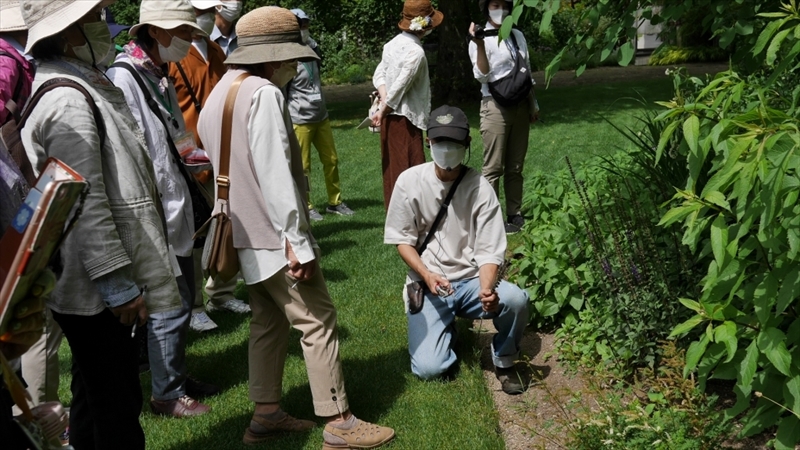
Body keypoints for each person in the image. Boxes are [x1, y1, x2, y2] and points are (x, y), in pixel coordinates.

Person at [197, 7, 395, 448]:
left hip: (239, 234)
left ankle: (265, 414)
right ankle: (340, 422)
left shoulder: (219, 92)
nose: (295, 65)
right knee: (318, 319)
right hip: (272, 236)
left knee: (268, 321)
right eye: (291, 57)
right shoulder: (264, 93)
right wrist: (298, 244)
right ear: (275, 57)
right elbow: (275, 176)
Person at [19, 0, 183, 447]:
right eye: (94, 19)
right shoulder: (68, 99)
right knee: (116, 407)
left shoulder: (77, 84)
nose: (104, 28)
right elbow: (85, 202)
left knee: (95, 396)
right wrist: (117, 285)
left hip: (88, 282)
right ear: (69, 32)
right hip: (94, 287)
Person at [107, 0, 220, 418]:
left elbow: (174, 133)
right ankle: (167, 394)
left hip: (175, 198)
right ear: (155, 31)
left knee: (182, 295)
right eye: (185, 33)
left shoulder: (154, 72)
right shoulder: (125, 77)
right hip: (152, 207)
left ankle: (169, 375)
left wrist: (197, 159)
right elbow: (134, 152)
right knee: (169, 303)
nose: (191, 41)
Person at [384, 104, 530, 395]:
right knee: (430, 369)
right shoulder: (409, 182)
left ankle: (503, 359)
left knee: (515, 300)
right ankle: (444, 327)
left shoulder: (480, 188)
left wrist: (487, 290)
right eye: (440, 141)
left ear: (467, 144)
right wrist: (425, 275)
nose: (447, 149)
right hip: (427, 284)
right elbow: (403, 240)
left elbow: (490, 251)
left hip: (472, 281)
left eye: (454, 142)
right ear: (429, 142)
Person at [169, 0, 250, 333]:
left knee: (225, 225)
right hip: (189, 157)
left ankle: (220, 292)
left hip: (221, 150)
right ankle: (195, 305)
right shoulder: (175, 53)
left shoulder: (215, 49)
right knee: (195, 231)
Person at [468, 0, 540, 234]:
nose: (500, 9)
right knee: (493, 167)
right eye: (494, 4)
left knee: (516, 165)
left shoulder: (517, 35)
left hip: (520, 104)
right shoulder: (481, 37)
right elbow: (482, 75)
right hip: (495, 106)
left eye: (504, 4)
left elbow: (526, 70)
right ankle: (491, 219)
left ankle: (514, 213)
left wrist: (533, 103)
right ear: (486, 7)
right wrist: (479, 44)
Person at [372, 0, 443, 209]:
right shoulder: (416, 53)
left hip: (391, 116)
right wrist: (384, 108)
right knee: (409, 169)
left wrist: (383, 104)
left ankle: (398, 216)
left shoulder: (391, 44)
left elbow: (380, 76)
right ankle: (410, 217)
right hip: (405, 119)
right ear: (426, 25)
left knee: (394, 168)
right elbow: (400, 85)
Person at [287, 9, 354, 222]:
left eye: (306, 24)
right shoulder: (287, 55)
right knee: (303, 166)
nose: (304, 29)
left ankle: (335, 202)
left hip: (321, 115)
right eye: (300, 25)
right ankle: (306, 205)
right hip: (300, 118)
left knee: (331, 160)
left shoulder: (313, 48)